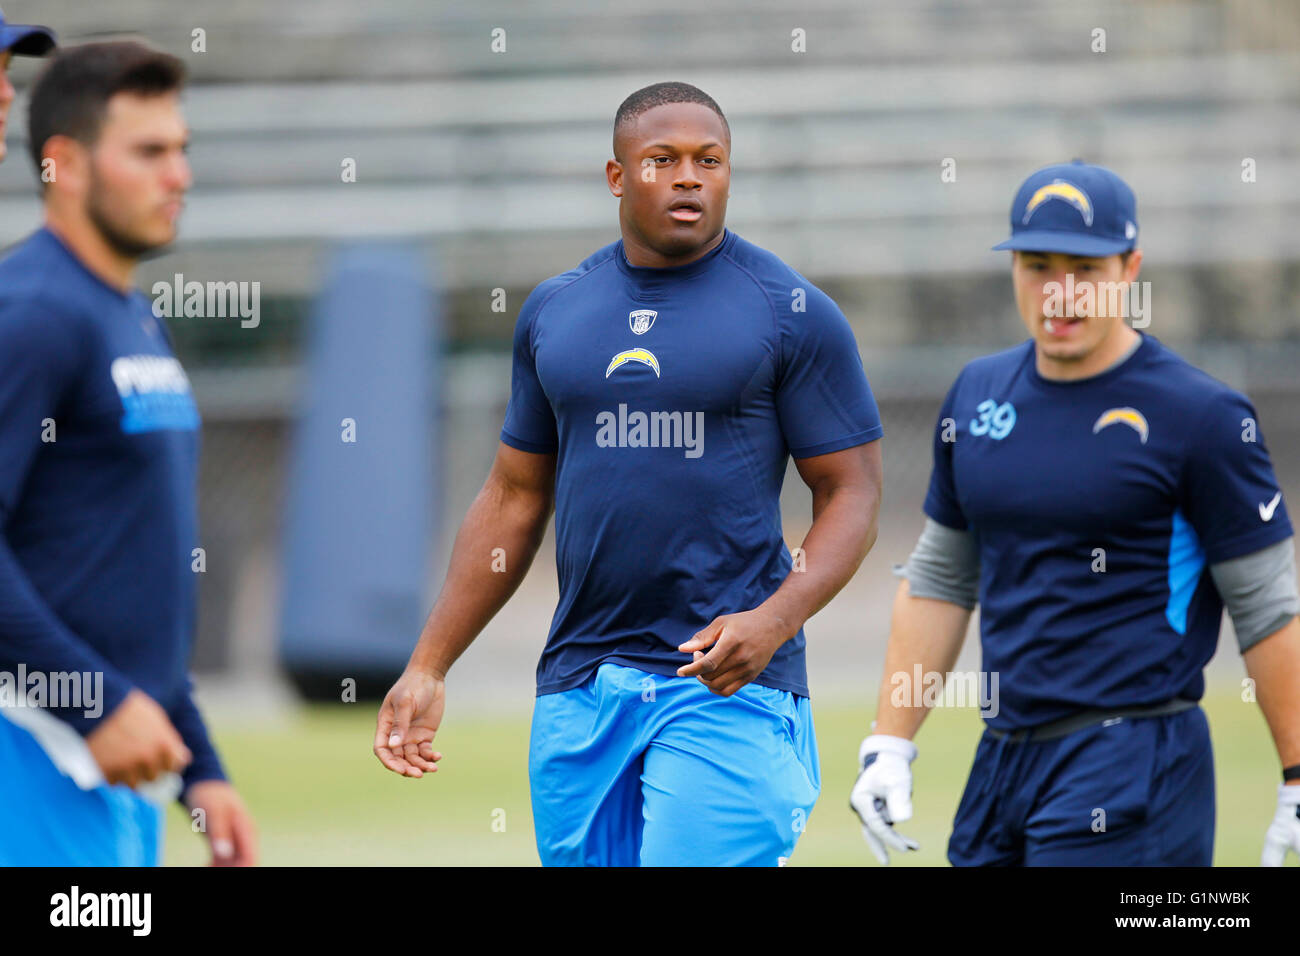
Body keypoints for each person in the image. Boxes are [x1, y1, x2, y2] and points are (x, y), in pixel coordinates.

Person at [376, 81, 884, 866]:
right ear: (618, 176)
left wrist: (774, 620)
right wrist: (428, 664)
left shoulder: (791, 311)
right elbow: (513, 495)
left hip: (724, 685)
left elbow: (851, 490)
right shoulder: (556, 309)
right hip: (582, 684)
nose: (689, 178)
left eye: (709, 161)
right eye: (663, 160)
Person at [850, 160, 1300, 866]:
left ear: (1131, 267)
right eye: (1037, 266)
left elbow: (1268, 606)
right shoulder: (977, 394)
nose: (1059, 293)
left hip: (1134, 763)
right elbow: (940, 577)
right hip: (1002, 761)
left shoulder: (1203, 416)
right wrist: (890, 742)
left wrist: (1298, 777)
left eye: (1084, 270)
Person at [0, 40, 257, 866]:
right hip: (31, 752)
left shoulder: (128, 312)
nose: (177, 175)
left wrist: (201, 766)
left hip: (115, 763)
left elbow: (125, 569)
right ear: (65, 166)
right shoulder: (31, 312)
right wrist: (98, 704)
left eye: (181, 150)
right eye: (148, 152)